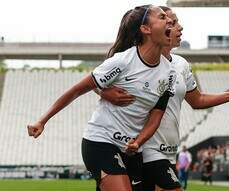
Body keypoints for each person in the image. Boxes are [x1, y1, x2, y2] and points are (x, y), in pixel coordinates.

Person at [97, 6, 229, 191]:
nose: (179, 27)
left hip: (169, 152)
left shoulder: (180, 64)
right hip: (147, 150)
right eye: (172, 21)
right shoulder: (135, 61)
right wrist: (104, 92)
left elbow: (197, 100)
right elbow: (96, 82)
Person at [27, 5, 175, 191]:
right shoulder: (122, 61)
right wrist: (42, 121)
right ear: (145, 29)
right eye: (162, 17)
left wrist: (138, 141)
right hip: (100, 141)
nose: (170, 20)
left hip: (131, 149)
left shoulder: (169, 73)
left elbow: (156, 116)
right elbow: (76, 90)